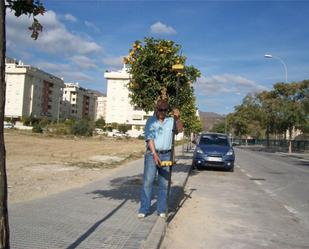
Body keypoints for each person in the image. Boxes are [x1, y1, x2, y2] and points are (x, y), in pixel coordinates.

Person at [138, 99, 183, 219]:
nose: (162, 112)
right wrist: (154, 154)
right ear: (156, 109)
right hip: (152, 154)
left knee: (164, 184)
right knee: (148, 182)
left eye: (165, 110)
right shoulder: (151, 122)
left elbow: (180, 130)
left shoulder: (171, 121)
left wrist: (177, 118)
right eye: (160, 109)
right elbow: (150, 138)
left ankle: (161, 209)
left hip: (167, 155)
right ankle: (144, 209)